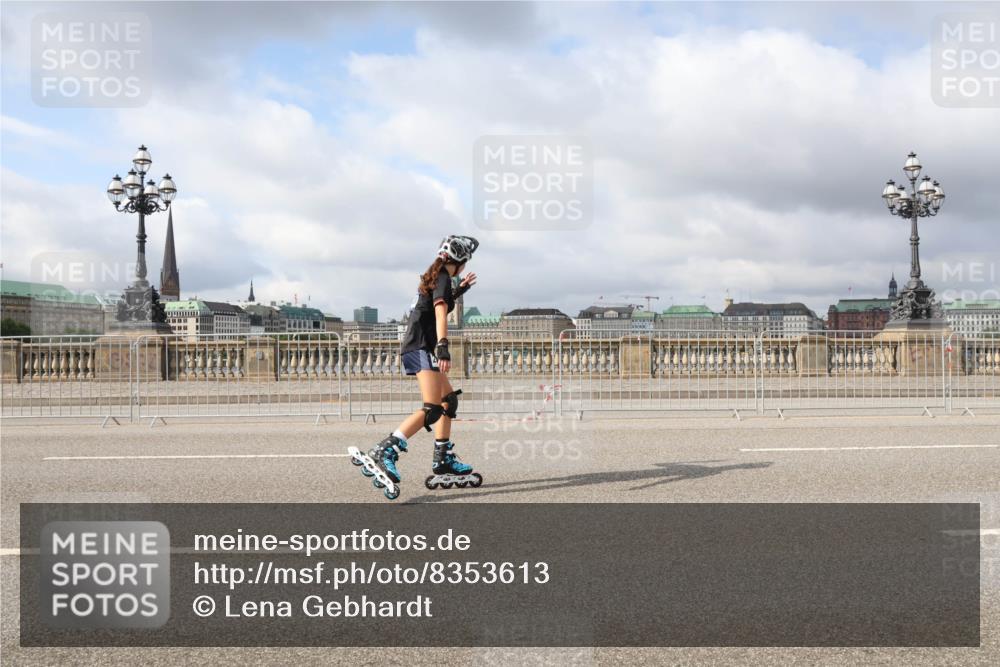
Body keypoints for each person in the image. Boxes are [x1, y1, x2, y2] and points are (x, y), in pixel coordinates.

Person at [355, 235, 481, 496]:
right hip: (420, 347)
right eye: (465, 263)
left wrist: (461, 290)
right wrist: (443, 345)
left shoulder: (438, 277)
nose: (465, 269)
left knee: (449, 401)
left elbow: (435, 304)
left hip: (418, 345)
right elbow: (438, 312)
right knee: (433, 408)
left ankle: (442, 459)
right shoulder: (443, 278)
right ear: (458, 261)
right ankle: (385, 449)